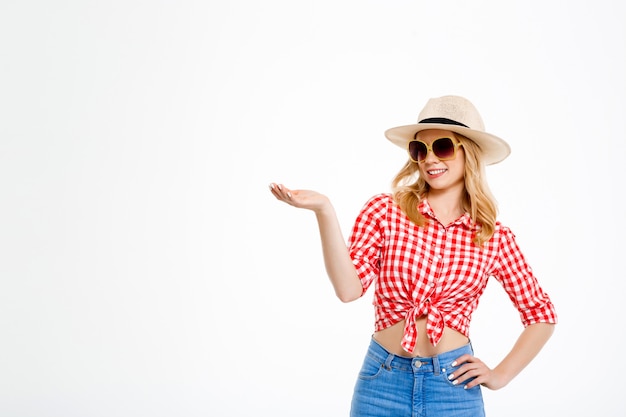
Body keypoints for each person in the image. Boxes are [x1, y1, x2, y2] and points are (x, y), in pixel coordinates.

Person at [269, 95, 557, 417]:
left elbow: (540, 313)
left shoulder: (492, 237)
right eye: (421, 150)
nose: (430, 159)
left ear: (469, 153)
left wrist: (500, 375)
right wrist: (324, 210)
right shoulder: (385, 211)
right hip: (382, 383)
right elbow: (348, 290)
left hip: (453, 388)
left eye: (443, 147)